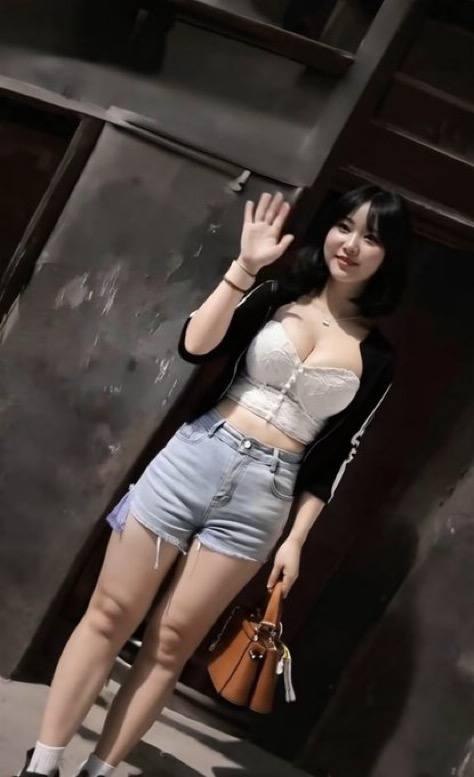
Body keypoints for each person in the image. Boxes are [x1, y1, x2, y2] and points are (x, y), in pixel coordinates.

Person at [15, 185, 411, 776]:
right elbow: (194, 346)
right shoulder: (275, 296)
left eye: (371, 237)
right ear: (327, 229)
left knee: (170, 644)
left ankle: (98, 773)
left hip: (264, 495)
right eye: (344, 227)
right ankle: (42, 766)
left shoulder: (378, 357)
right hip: (196, 456)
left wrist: (296, 540)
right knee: (109, 613)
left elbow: (337, 456)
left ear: (388, 255)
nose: (351, 244)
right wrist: (244, 268)